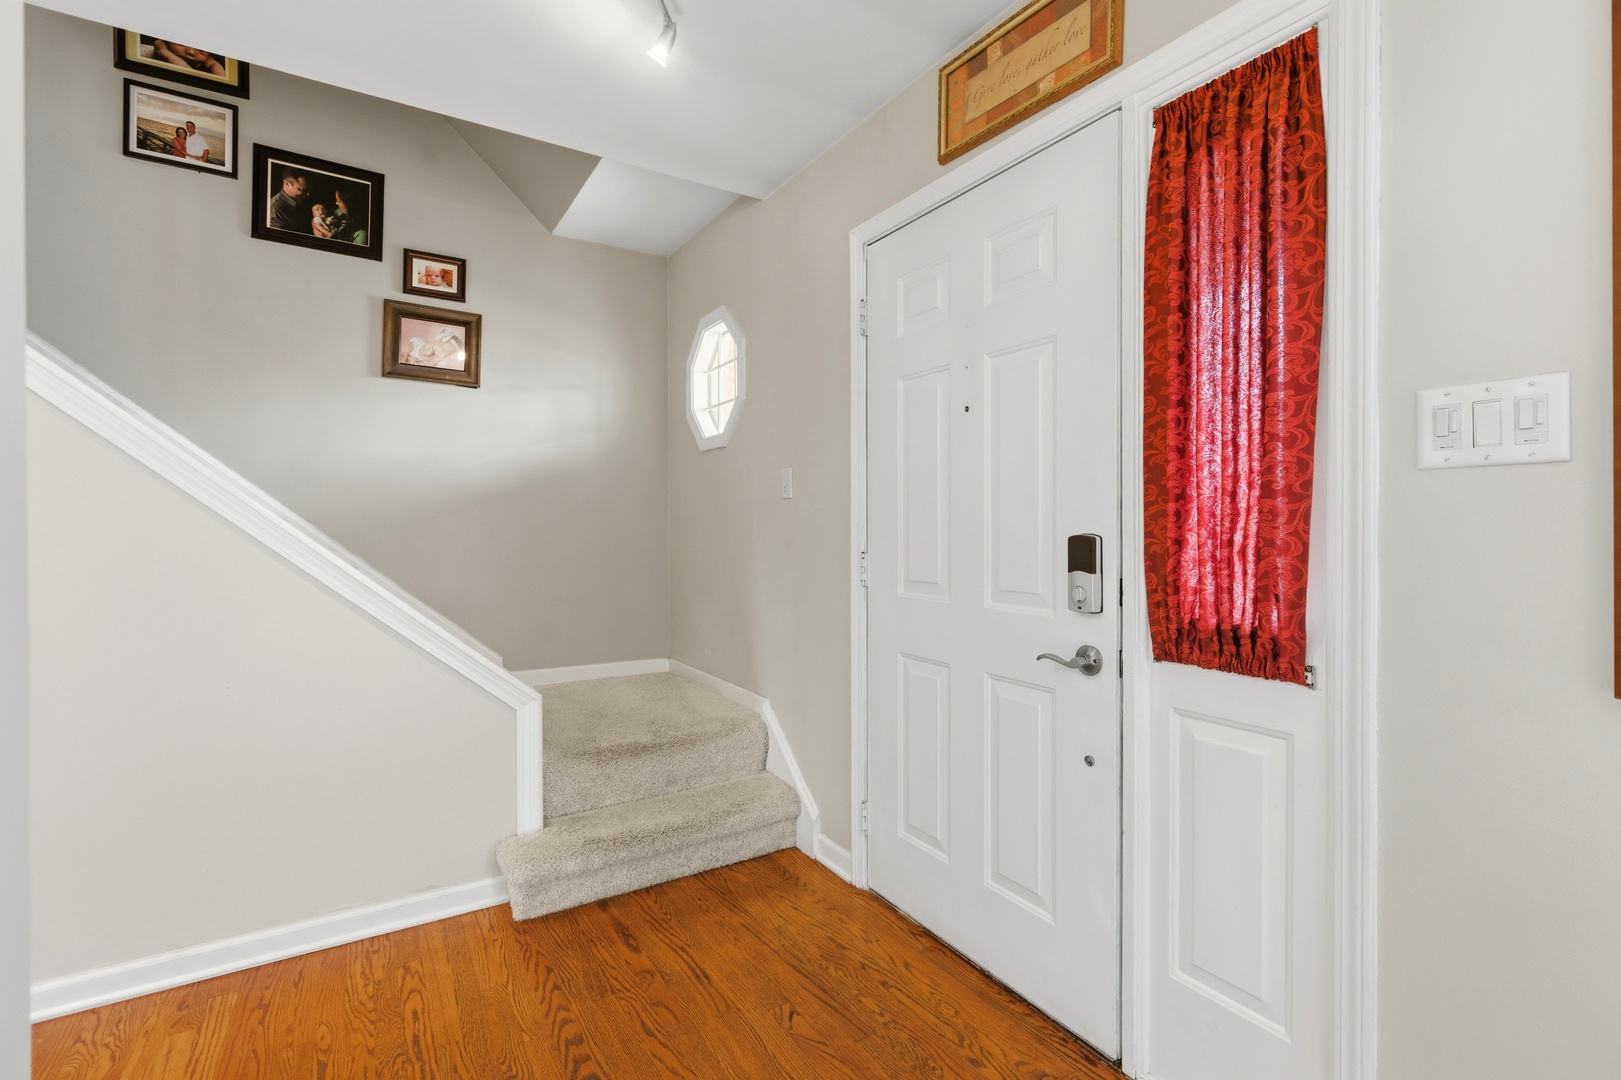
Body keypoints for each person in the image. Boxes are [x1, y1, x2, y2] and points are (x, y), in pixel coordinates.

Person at [150, 39, 227, 77]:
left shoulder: (208, 59)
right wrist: (165, 52)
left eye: (201, 49)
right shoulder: (161, 44)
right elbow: (187, 72)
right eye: (181, 43)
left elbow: (220, 75)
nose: (190, 52)